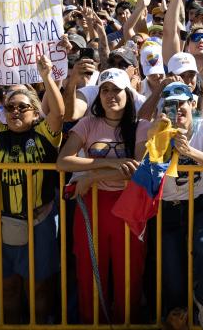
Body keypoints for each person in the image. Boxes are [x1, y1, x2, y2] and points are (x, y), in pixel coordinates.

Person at [0, 56, 63, 324]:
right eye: (9, 107)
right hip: (1, 221)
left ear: (34, 110)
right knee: (7, 287)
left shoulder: (44, 133)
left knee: (39, 289)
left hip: (40, 221)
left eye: (22, 107)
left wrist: (46, 76)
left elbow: (58, 113)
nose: (15, 112)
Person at [57, 69, 150, 324]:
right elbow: (63, 161)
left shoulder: (141, 127)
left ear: (128, 94)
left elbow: (139, 171)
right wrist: (108, 167)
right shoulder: (87, 123)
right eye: (105, 90)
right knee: (89, 272)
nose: (111, 96)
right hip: (92, 205)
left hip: (128, 207)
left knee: (129, 274)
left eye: (117, 90)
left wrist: (91, 176)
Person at [155, 82, 203, 330]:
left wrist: (190, 151)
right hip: (169, 204)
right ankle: (178, 316)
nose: (177, 109)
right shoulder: (158, 128)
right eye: (170, 104)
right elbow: (144, 164)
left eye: (181, 103)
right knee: (171, 267)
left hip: (200, 202)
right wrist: (158, 136)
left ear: (192, 104)